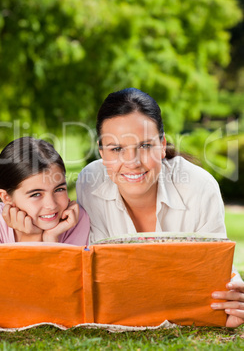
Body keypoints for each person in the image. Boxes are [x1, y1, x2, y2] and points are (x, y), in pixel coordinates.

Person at [76, 87, 244, 328]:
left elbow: (214, 274)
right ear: (102, 153)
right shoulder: (89, 183)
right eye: (116, 149)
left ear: (162, 145)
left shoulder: (200, 187)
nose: (132, 162)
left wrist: (230, 297)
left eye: (145, 146)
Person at [0, 137, 90, 245]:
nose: (51, 205)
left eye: (59, 189)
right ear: (6, 197)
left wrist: (51, 239)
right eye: (36, 194)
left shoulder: (76, 221)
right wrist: (31, 239)